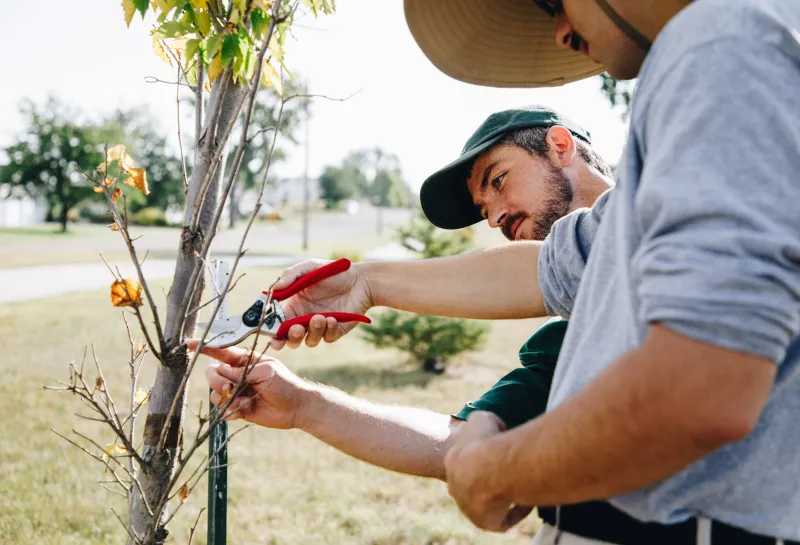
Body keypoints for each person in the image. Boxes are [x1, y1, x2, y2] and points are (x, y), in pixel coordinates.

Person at [399, 0, 800, 544]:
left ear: (561, 146)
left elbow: (700, 390)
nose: (562, 32)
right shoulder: (708, 83)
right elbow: (551, 266)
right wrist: (365, 283)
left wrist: (490, 473)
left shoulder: (720, 40)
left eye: (556, 1)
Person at [193, 106, 613, 491]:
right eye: (485, 209)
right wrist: (304, 404)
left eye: (499, 181)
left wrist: (367, 284)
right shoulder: (569, 343)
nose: (496, 218)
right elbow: (459, 444)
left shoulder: (658, 215)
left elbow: (554, 267)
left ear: (560, 147)